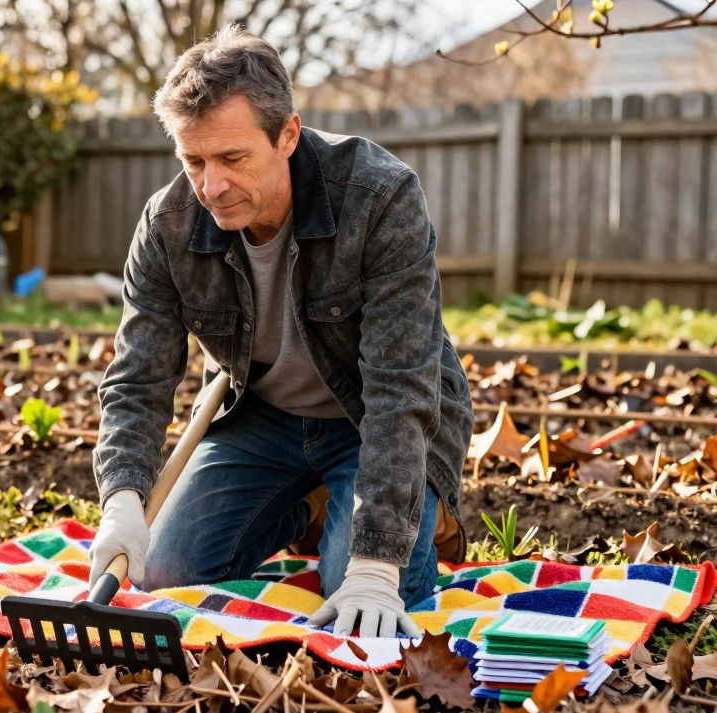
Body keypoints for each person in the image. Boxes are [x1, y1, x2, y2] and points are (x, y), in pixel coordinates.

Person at [87, 25, 473, 638]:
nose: (211, 186)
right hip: (261, 419)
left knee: (361, 599)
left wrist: (376, 565)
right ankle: (306, 505)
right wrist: (123, 499)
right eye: (194, 161)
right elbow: (137, 376)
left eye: (233, 158)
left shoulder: (379, 197)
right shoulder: (168, 226)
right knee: (163, 572)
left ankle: (361, 521)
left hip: (369, 420)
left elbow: (401, 388)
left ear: (287, 135)